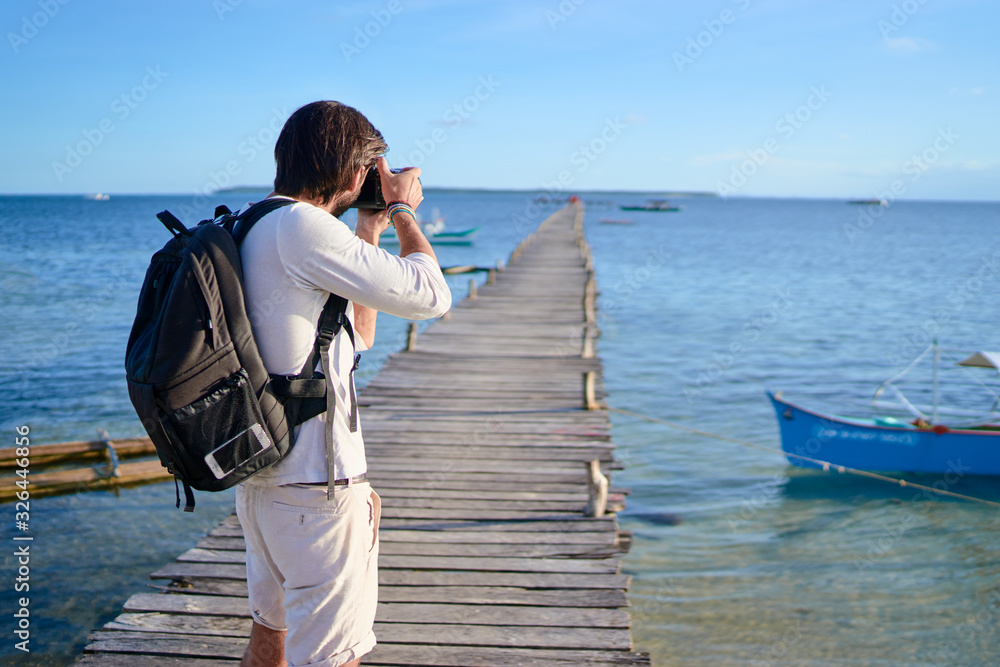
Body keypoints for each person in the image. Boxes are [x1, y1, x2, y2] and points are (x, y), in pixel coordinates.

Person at [234, 101, 452, 667]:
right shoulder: (303, 228)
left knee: (270, 638)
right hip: (317, 491)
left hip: (264, 484)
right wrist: (403, 209)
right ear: (357, 174)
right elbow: (432, 295)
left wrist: (368, 228)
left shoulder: (254, 224)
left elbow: (355, 335)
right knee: (332, 658)